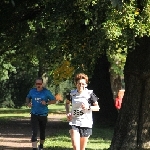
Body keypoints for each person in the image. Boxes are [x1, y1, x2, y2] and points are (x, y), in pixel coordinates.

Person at [65, 73, 100, 150]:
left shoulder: (90, 94)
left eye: (83, 84)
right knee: (75, 147)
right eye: (79, 83)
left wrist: (88, 107)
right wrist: (68, 113)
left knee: (82, 149)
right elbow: (67, 103)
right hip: (74, 122)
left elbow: (97, 107)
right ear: (76, 84)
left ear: (86, 84)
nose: (81, 85)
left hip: (86, 123)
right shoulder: (72, 94)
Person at [26, 77, 56, 150]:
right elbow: (27, 97)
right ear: (35, 84)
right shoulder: (32, 91)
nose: (38, 85)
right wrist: (28, 103)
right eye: (37, 84)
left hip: (43, 114)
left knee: (42, 131)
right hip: (34, 114)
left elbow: (54, 100)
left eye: (39, 84)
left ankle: (41, 146)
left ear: (42, 84)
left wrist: (46, 102)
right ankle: (34, 148)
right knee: (34, 132)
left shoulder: (46, 92)